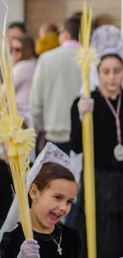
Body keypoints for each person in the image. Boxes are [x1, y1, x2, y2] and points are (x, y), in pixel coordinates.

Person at [71, 25, 123, 258]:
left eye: (117, 71)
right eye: (106, 71)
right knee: (98, 245)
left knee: (119, 245)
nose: (112, 77)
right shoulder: (86, 101)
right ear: (98, 73)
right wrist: (81, 116)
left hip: (122, 182)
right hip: (98, 183)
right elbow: (78, 146)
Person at [30, 15, 82, 154]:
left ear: (65, 34)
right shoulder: (90, 61)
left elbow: (35, 103)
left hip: (54, 135)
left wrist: (31, 139)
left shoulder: (46, 59)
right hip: (84, 136)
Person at [8, 34, 37, 110]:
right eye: (12, 49)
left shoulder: (23, 67)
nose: (13, 52)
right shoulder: (33, 63)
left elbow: (4, 92)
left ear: (27, 50)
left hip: (21, 113)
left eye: (17, 49)